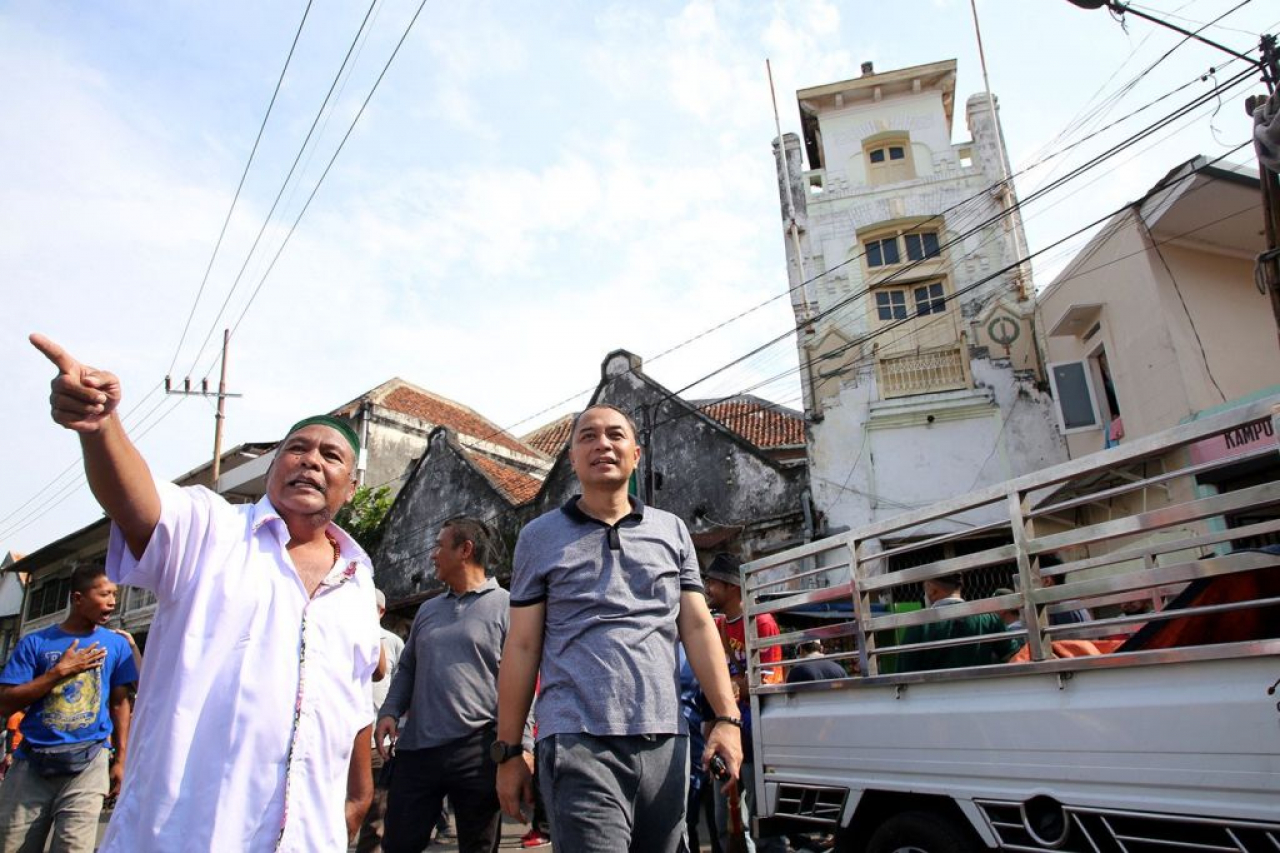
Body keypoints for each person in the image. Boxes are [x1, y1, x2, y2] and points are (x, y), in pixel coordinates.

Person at [30, 334, 381, 852]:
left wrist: (359, 796)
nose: (310, 461)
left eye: (330, 455)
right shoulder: (211, 529)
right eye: (296, 449)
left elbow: (352, 704)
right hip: (182, 834)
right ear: (272, 468)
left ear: (350, 487)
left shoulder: (357, 581)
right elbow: (139, 503)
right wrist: (101, 427)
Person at [495, 403, 743, 853]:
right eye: (587, 437)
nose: (602, 444)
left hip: (667, 741)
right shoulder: (539, 537)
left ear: (636, 453)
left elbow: (698, 626)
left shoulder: (672, 531)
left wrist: (726, 719)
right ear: (571, 458)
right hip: (577, 740)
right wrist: (510, 751)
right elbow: (523, 644)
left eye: (614, 435)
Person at [376, 518, 520, 853]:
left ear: (465, 550)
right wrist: (390, 710)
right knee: (398, 843)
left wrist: (519, 747)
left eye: (440, 545)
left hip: (478, 750)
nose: (433, 555)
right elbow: (408, 667)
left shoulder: (506, 606)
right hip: (416, 749)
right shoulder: (428, 610)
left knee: (479, 846)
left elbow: (520, 680)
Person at [0, 564, 138, 853]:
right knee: (11, 846)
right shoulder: (34, 643)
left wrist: (121, 760)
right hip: (31, 763)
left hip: (89, 763)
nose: (112, 601)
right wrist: (58, 672)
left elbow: (120, 702)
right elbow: (6, 702)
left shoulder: (116, 645)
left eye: (115, 594)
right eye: (104, 594)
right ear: (78, 599)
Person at [702, 552, 785, 853]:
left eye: (712, 582)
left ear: (732, 586)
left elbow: (768, 681)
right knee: (727, 819)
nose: (707, 589)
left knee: (764, 818)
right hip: (724, 732)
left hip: (759, 735)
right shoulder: (716, 627)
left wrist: (730, 688)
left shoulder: (761, 623)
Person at [357, 590, 406, 853]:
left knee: (376, 813)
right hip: (344, 739)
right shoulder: (342, 634)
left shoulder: (393, 643)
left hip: (379, 741)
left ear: (381, 612)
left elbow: (400, 683)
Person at [896, 574, 1019, 673]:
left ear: (931, 589)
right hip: (982, 695)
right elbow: (1016, 657)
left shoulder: (919, 624)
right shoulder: (990, 619)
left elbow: (904, 673)